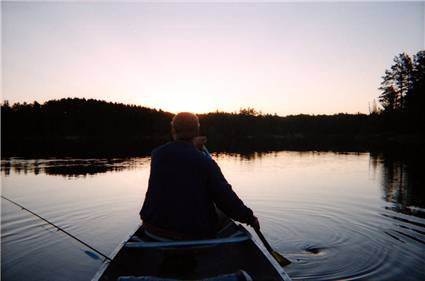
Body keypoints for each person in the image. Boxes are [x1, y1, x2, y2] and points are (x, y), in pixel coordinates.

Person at [139, 112, 259, 240]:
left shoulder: (157, 155)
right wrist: (249, 218)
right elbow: (225, 198)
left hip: (152, 229)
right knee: (222, 213)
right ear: (197, 130)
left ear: (173, 129)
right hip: (191, 234)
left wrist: (192, 148)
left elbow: (179, 156)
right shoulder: (205, 162)